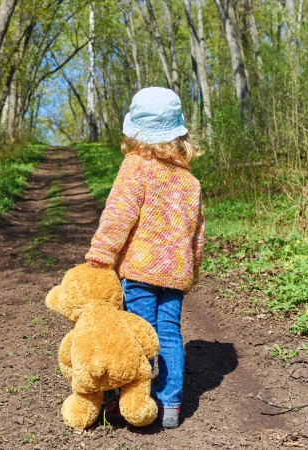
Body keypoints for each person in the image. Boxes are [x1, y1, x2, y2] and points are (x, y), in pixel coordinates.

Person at [85, 87, 205, 429]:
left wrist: (100, 254)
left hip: (139, 269)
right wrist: (191, 270)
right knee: (168, 332)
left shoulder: (136, 167)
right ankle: (170, 405)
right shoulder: (189, 181)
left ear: (136, 132)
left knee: (138, 334)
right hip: (175, 274)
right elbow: (197, 234)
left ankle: (133, 403)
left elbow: (118, 215)